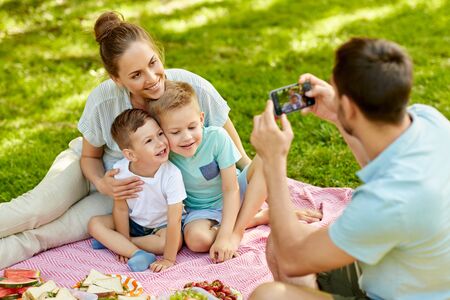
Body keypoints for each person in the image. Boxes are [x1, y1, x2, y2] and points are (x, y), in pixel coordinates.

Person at [0, 11, 251, 269]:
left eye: (153, 63)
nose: (152, 79)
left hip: (127, 194)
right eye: (136, 75)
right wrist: (101, 182)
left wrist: (261, 189)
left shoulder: (191, 88)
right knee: (36, 210)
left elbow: (238, 155)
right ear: (117, 79)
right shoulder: (104, 100)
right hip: (88, 170)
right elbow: (89, 156)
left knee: (47, 235)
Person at [249, 37, 450, 299]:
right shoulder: (428, 119)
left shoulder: (386, 201)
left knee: (269, 295)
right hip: (414, 270)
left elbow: (292, 259)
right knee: (280, 239)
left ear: (351, 107)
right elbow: (379, 163)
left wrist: (273, 162)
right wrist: (337, 115)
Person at [147, 80, 265, 263]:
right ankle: (256, 218)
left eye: (192, 127)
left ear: (201, 119)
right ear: (161, 132)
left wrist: (226, 237)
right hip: (200, 210)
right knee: (196, 241)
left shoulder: (217, 137)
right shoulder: (164, 154)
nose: (187, 137)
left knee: (266, 158)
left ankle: (238, 229)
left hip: (235, 193)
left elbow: (230, 189)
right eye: (175, 132)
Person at [88, 108, 186, 272]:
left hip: (162, 226)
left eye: (160, 134)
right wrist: (124, 238)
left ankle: (116, 243)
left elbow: (174, 221)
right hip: (134, 223)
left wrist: (168, 259)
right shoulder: (120, 170)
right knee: (94, 224)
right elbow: (120, 209)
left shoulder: (171, 175)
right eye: (149, 141)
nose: (160, 142)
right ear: (131, 155)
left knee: (169, 243)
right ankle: (136, 252)